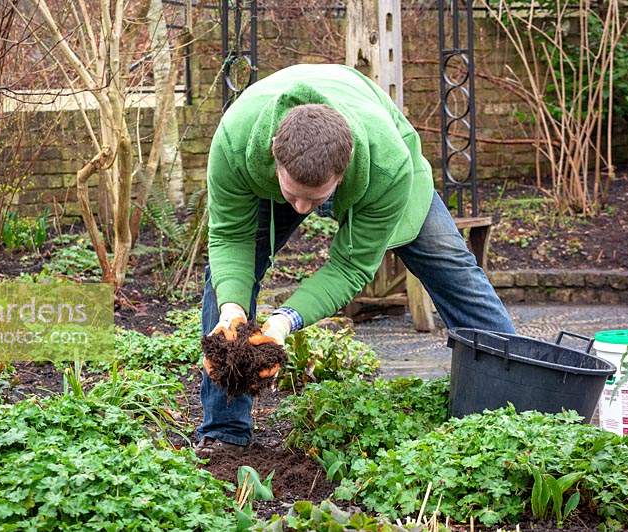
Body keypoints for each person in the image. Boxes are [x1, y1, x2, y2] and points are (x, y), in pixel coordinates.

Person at [195, 63, 515, 457]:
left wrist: (282, 323)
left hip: (381, 160)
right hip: (261, 151)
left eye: (315, 200)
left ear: (342, 174)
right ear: (273, 159)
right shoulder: (235, 141)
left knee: (452, 267)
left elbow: (350, 266)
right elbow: (230, 237)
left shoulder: (388, 166)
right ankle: (225, 431)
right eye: (293, 194)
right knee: (226, 279)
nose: (301, 209)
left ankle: (512, 412)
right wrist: (231, 309)